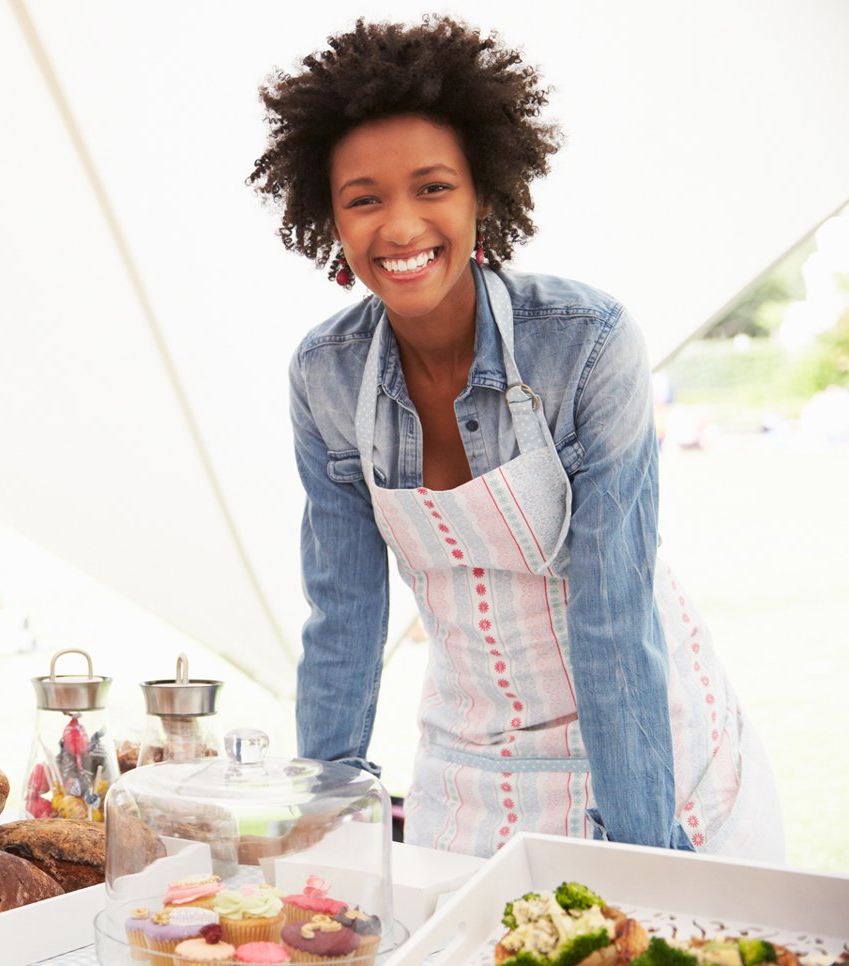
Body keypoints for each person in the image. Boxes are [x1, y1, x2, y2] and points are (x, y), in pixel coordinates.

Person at [250, 16, 782, 859]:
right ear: (330, 217)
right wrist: (324, 814)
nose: (399, 226)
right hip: (468, 764)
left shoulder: (586, 342)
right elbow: (344, 613)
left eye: (431, 187)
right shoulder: (324, 374)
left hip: (642, 745)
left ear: (481, 196)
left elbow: (613, 610)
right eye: (364, 198)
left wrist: (640, 852)